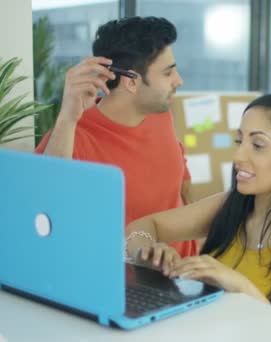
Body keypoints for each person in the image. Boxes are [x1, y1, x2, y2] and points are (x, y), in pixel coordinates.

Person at [125, 92, 271, 332]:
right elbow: (142, 227)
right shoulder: (231, 206)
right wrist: (147, 251)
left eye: (257, 145)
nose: (238, 157)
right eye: (239, 141)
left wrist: (241, 287)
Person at [35, 16, 198, 257]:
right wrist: (67, 118)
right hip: (129, 284)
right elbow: (45, 211)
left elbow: (181, 186)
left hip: (188, 274)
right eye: (168, 73)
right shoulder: (70, 137)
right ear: (130, 82)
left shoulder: (160, 113)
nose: (179, 81)